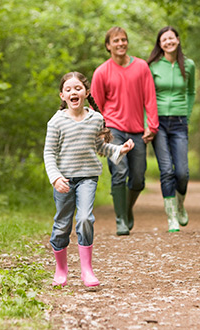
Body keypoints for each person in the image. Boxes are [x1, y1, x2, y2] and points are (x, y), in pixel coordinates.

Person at [44, 72, 135, 287]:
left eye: (77, 88)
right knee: (62, 225)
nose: (73, 92)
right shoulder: (56, 122)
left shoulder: (95, 118)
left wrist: (119, 149)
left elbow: (99, 147)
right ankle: (61, 269)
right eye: (68, 89)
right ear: (62, 95)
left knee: (85, 219)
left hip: (88, 178)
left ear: (85, 92)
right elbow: (49, 153)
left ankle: (86, 270)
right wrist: (55, 178)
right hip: (64, 180)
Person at [91, 26, 159, 236]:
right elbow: (96, 106)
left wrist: (152, 126)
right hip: (113, 130)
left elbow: (150, 97)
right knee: (120, 172)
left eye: (124, 40)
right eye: (116, 40)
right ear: (108, 46)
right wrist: (101, 133)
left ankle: (126, 209)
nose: (121, 43)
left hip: (137, 130)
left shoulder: (141, 67)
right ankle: (120, 219)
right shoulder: (102, 72)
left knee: (138, 178)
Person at [147, 26, 196, 233]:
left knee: (182, 172)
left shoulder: (189, 65)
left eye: (171, 38)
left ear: (177, 40)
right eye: (164, 39)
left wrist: (187, 113)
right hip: (158, 123)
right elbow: (146, 96)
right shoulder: (153, 66)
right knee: (166, 170)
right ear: (160, 44)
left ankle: (180, 204)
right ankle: (172, 217)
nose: (168, 42)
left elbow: (191, 92)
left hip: (179, 122)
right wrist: (147, 123)